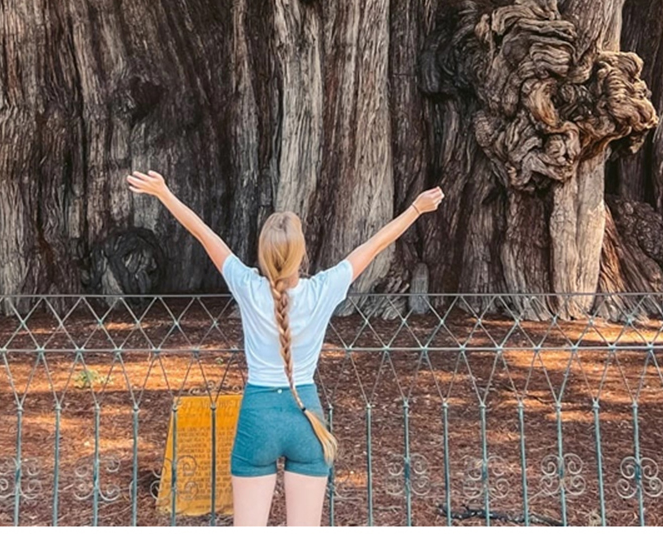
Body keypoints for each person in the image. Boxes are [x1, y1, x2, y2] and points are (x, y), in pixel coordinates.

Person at [127, 168, 445, 527]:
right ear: (302, 254)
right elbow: (374, 245)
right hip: (306, 417)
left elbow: (203, 233)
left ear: (263, 254)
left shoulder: (247, 285)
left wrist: (164, 194)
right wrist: (416, 209)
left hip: (257, 419)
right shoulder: (324, 289)